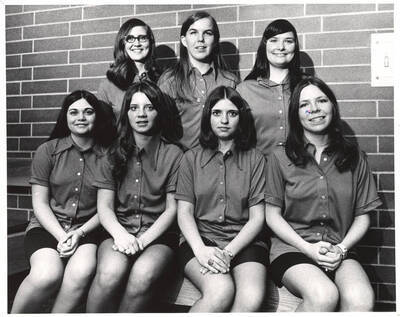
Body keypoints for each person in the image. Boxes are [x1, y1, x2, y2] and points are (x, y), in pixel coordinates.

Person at [264, 76, 382, 312]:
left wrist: (341, 249)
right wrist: (308, 249)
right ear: (296, 114)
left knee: (361, 299)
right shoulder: (280, 157)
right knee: (323, 296)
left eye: (321, 100)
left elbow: (363, 216)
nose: (314, 109)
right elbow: (272, 215)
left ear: (332, 106)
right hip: (293, 248)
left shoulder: (354, 156)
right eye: (304, 104)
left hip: (339, 248)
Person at [11, 90, 116, 313]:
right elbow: (39, 203)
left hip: (87, 231)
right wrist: (61, 235)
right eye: (74, 112)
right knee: (46, 275)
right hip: (47, 227)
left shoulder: (108, 156)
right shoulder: (47, 151)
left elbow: (105, 208)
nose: (81, 117)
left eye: (88, 112)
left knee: (82, 271)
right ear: (65, 117)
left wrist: (78, 234)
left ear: (96, 116)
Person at [86, 80, 183, 313]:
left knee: (143, 275)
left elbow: (171, 210)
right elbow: (105, 207)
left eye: (149, 107)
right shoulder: (112, 152)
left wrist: (142, 241)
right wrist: (122, 236)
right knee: (109, 273)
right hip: (118, 230)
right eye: (134, 108)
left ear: (159, 112)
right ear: (126, 113)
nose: (141, 114)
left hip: (158, 235)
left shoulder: (175, 154)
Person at [176, 86, 268, 312]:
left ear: (241, 118)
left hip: (244, 241)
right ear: (208, 117)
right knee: (219, 292)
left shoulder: (255, 159)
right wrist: (200, 250)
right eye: (217, 113)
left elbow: (257, 218)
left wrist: (227, 253)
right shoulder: (191, 158)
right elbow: (184, 212)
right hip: (200, 239)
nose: (224, 120)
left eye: (232, 113)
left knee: (252, 296)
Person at [158, 11, 238, 150]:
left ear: (215, 40)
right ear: (184, 40)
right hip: (181, 164)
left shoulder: (230, 81)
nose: (200, 39)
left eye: (207, 33)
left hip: (220, 163)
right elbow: (160, 131)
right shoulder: (169, 81)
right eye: (193, 32)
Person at [236, 19, 303, 157]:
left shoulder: (307, 87)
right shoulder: (244, 90)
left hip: (301, 170)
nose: (281, 47)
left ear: (295, 46)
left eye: (288, 41)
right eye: (274, 40)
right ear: (265, 45)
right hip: (260, 171)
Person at [97, 18, 161, 118]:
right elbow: (102, 125)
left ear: (150, 42)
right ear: (122, 43)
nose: (137, 43)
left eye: (142, 38)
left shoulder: (163, 79)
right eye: (130, 38)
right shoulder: (109, 84)